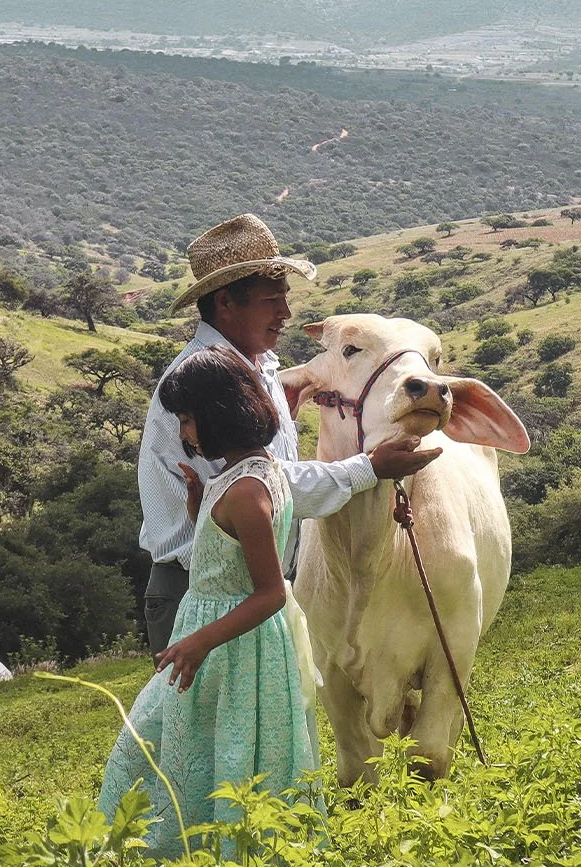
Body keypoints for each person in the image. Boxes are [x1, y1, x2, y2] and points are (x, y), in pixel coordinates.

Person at [139, 213, 442, 654]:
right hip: (202, 597)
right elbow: (263, 489)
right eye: (271, 300)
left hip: (249, 590)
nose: (286, 313)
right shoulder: (205, 386)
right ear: (225, 302)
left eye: (285, 297)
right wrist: (370, 468)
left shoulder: (259, 367)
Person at [97, 347, 321, 857]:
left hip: (230, 644)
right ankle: (198, 849)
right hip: (220, 640)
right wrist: (202, 507)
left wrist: (200, 640)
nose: (183, 432)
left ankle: (189, 853)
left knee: (193, 745)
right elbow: (224, 556)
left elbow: (267, 592)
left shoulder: (247, 491)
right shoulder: (249, 475)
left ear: (216, 414)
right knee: (201, 743)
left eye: (187, 418)